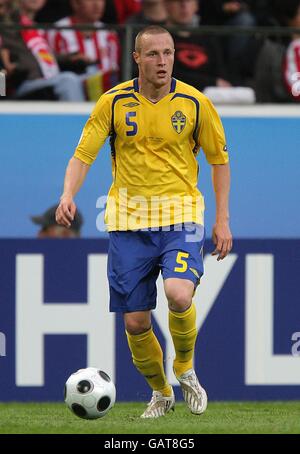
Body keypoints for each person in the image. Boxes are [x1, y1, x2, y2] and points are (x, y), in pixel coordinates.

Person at [56, 25, 232, 418]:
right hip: (127, 222)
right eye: (153, 54)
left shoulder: (195, 103)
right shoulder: (113, 102)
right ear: (137, 59)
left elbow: (219, 161)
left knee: (179, 294)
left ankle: (184, 367)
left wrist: (222, 219)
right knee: (136, 322)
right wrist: (68, 194)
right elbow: (83, 154)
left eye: (168, 53)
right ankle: (161, 392)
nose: (163, 61)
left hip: (181, 216)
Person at [0, 0, 85, 100]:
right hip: (22, 84)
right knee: (68, 80)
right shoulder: (7, 30)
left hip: (45, 79)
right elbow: (3, 79)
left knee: (88, 75)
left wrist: (71, 58)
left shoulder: (29, 29)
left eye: (2, 6)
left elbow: (43, 57)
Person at [47, 0, 119, 98]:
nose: (97, 5)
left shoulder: (109, 34)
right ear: (75, 3)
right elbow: (49, 71)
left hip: (103, 93)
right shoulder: (57, 31)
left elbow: (113, 71)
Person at [165, 0, 231, 90]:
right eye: (178, 1)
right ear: (166, 5)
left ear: (196, 6)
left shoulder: (208, 39)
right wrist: (211, 82)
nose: (183, 5)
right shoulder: (161, 39)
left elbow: (222, 76)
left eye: (188, 1)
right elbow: (168, 75)